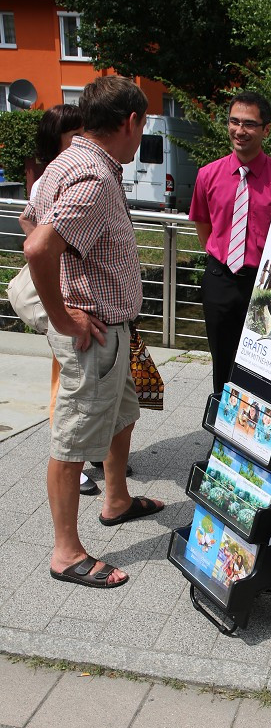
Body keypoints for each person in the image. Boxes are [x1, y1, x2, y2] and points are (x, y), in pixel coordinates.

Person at [22, 76, 164, 589]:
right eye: (142, 124)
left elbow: (28, 216)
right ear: (130, 122)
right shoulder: (94, 178)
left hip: (113, 330)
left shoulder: (69, 161)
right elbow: (38, 247)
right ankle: (66, 553)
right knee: (73, 439)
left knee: (123, 412)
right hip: (94, 336)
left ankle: (117, 499)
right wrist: (64, 317)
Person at [189, 91, 271, 393]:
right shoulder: (207, 175)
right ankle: (224, 434)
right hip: (220, 280)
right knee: (222, 361)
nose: (240, 131)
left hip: (266, 285)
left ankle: (259, 434)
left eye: (250, 124)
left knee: (264, 362)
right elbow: (204, 227)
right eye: (234, 121)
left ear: (266, 129)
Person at [21, 106, 98, 497]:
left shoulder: (62, 171)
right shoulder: (62, 174)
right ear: (58, 138)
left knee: (80, 383)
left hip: (80, 301)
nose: (84, 139)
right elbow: (33, 238)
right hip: (70, 304)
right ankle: (76, 466)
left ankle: (93, 453)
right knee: (66, 385)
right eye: (76, 133)